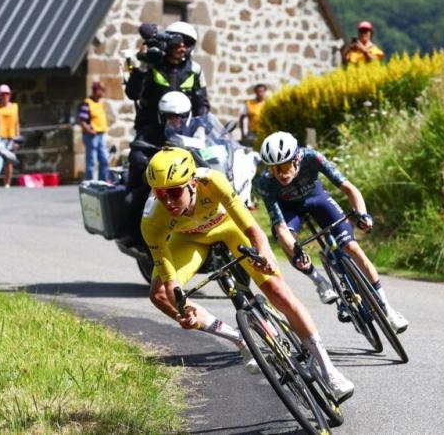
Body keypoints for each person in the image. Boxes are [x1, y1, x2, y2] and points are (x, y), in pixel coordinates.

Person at [141, 147, 355, 400]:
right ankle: (240, 340)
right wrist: (183, 311)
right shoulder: (152, 220)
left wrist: (264, 253)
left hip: (229, 228)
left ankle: (329, 370)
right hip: (189, 240)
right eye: (160, 193)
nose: (167, 201)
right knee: (159, 296)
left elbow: (253, 230)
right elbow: (169, 279)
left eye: (174, 192)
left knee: (278, 291)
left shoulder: (213, 181)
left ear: (193, 183)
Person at [257, 131, 409, 333]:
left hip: (316, 199)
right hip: (289, 210)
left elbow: (349, 188)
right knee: (288, 243)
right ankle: (319, 281)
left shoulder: (312, 157)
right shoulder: (265, 182)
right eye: (275, 169)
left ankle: (388, 310)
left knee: (352, 248)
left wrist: (363, 214)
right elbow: (280, 226)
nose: (281, 174)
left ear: (296, 159)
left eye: (284, 166)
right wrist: (296, 249)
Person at [124, 21, 210, 245]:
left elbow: (202, 103)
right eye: (178, 42)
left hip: (186, 133)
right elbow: (132, 92)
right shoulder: (153, 65)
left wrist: (202, 129)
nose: (182, 47)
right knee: (140, 182)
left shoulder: (195, 70)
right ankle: (136, 235)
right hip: (151, 133)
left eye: (187, 44)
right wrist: (142, 65)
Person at [77, 81, 109, 181]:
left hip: (100, 135)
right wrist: (88, 130)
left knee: (104, 159)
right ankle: (90, 181)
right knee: (92, 161)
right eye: (102, 90)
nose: (104, 92)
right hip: (91, 136)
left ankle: (103, 181)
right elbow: (82, 120)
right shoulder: (87, 102)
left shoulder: (100, 103)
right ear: (96, 90)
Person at [0, 84, 20, 188]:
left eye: (7, 94)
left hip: (11, 137)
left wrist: (17, 138)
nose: (5, 96)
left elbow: (17, 123)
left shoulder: (14, 107)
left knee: (9, 162)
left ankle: (7, 184)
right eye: (2, 94)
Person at [239, 83, 267, 148]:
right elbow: (242, 118)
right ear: (255, 92)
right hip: (252, 133)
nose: (260, 93)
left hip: (264, 132)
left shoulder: (268, 103)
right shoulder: (249, 103)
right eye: (258, 91)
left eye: (262, 91)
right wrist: (242, 133)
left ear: (265, 92)